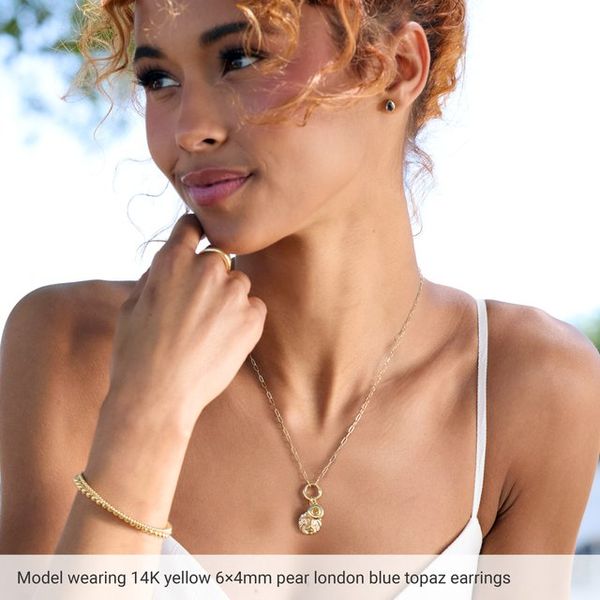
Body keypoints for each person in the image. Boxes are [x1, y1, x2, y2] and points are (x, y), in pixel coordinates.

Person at [0, 0, 599, 571]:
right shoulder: (71, 347)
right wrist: (147, 416)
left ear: (396, 68)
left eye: (240, 59)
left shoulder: (534, 388)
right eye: (159, 79)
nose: (189, 130)